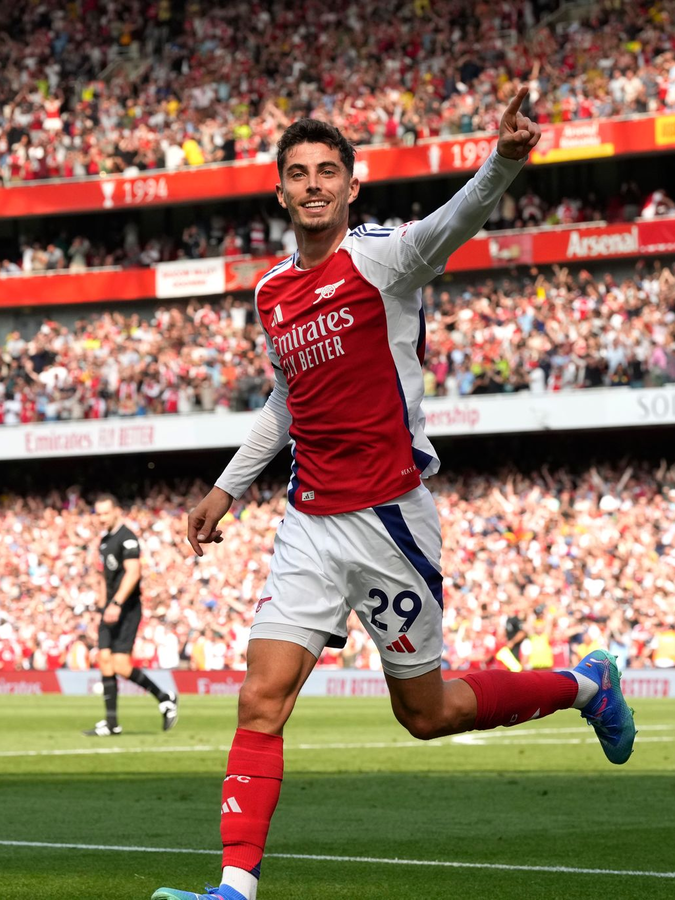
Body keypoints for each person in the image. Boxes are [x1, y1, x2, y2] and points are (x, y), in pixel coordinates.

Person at [153, 88, 635, 900]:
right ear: (280, 191)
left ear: (352, 186)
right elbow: (286, 400)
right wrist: (225, 490)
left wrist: (504, 160)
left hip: (390, 522)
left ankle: (588, 685)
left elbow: (455, 220)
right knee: (260, 698)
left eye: (327, 172)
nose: (313, 184)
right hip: (310, 522)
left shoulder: (384, 258)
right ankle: (235, 889)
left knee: (426, 714)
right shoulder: (272, 292)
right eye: (298, 173)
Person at [83, 494, 178, 737]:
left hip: (126, 608)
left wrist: (116, 603)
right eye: (98, 514)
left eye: (105, 513)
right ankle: (111, 723)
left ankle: (164, 697)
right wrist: (101, 609)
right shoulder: (105, 540)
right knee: (104, 659)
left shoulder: (127, 538)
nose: (101, 518)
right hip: (109, 608)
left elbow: (133, 573)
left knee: (121, 665)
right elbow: (105, 578)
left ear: (117, 511)